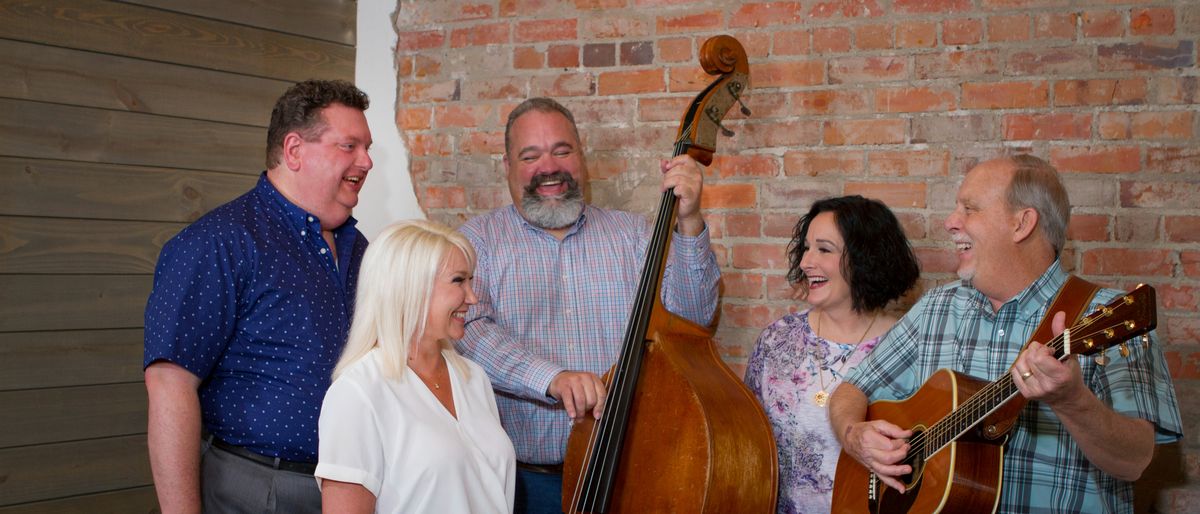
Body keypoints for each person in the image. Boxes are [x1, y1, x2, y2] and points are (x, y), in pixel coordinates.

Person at [828, 155, 1182, 513]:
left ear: (1022, 223)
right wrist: (854, 435)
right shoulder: (937, 308)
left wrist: (1072, 400)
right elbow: (851, 390)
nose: (951, 222)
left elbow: (1135, 461)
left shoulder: (1107, 317)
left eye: (970, 209)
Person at [455, 97, 720, 513]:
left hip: (629, 475)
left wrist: (688, 221)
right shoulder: (477, 242)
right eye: (531, 156)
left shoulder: (633, 234)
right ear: (506, 166)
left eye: (562, 150)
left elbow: (693, 318)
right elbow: (469, 333)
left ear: (581, 156)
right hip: (524, 484)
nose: (549, 168)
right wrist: (552, 378)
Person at [143, 79, 373, 513]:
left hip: (350, 490)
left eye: (367, 147)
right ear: (294, 151)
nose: (367, 160)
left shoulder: (360, 248)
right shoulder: (219, 242)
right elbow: (169, 385)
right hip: (256, 488)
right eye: (349, 146)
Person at [316, 220, 516, 513]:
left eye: (471, 281)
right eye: (459, 281)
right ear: (411, 287)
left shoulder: (474, 378)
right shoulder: (358, 392)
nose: (472, 298)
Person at [744, 195, 920, 514]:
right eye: (807, 247)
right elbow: (748, 446)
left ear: (865, 259)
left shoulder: (907, 346)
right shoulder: (776, 340)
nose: (806, 262)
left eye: (824, 249)